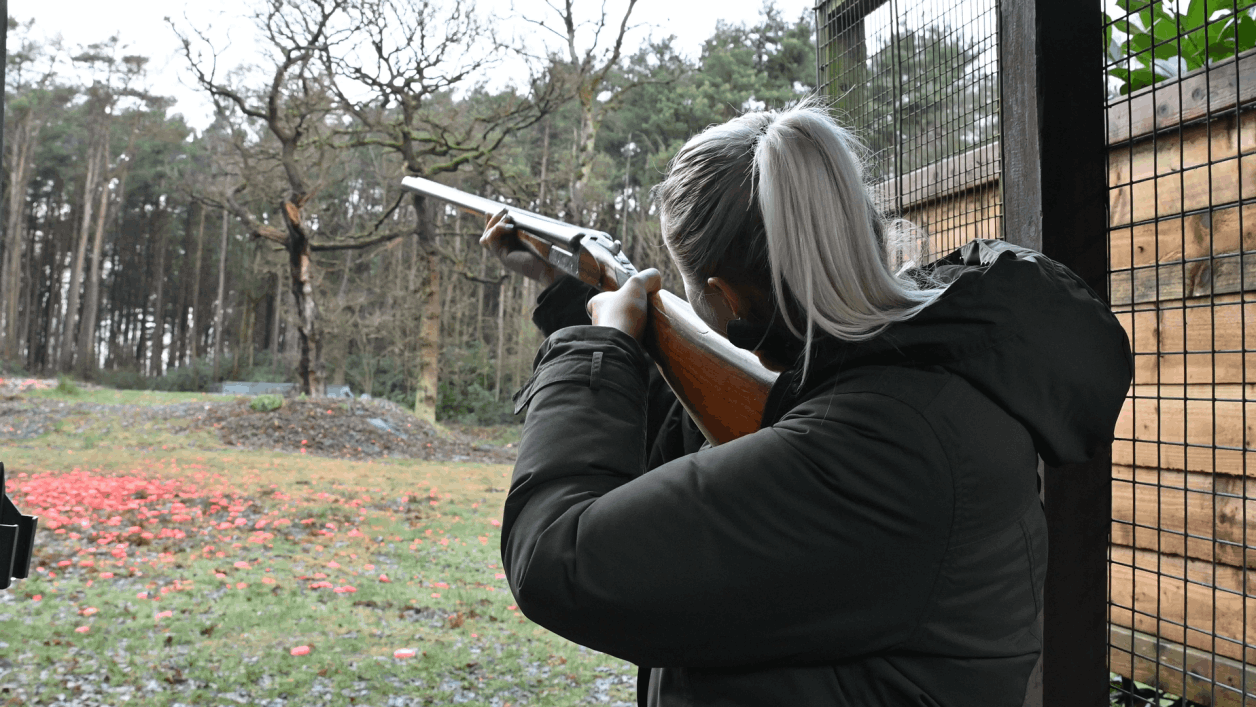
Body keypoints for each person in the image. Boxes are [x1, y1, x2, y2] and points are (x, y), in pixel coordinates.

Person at [480, 99, 1132, 707]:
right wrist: (566, 292)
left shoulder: (873, 445)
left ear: (726, 301)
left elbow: (555, 556)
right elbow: (710, 449)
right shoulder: (918, 373)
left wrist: (599, 345)